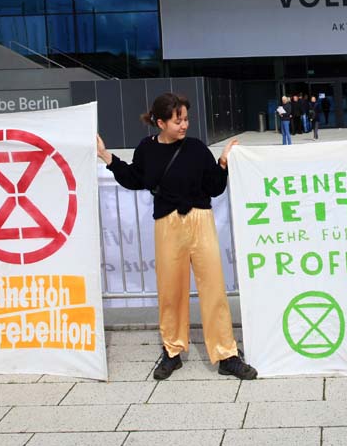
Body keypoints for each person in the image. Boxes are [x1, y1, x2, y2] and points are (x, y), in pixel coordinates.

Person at [97, 92, 257, 381]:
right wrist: (107, 157)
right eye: (177, 120)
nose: (184, 125)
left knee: (214, 288)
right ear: (160, 122)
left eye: (185, 119)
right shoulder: (147, 149)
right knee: (170, 290)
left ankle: (226, 354)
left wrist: (222, 164)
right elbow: (135, 179)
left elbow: (214, 187)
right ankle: (172, 351)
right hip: (167, 223)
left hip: (201, 220)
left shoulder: (196, 148)